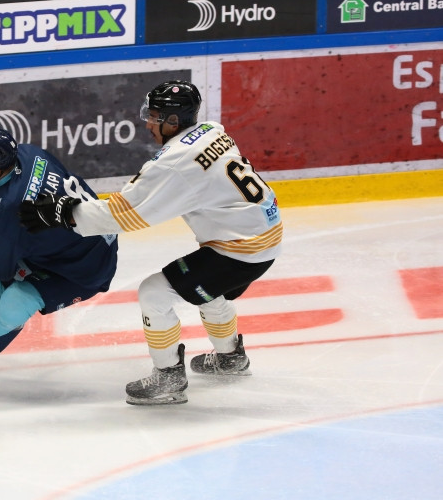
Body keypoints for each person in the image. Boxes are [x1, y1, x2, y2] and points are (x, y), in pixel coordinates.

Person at [19, 80, 282, 405]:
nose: (148, 123)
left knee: (154, 293)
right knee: (206, 287)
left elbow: (124, 215)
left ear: (173, 121)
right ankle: (230, 357)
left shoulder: (175, 161)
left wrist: (64, 212)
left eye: (154, 116)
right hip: (266, 232)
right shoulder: (211, 131)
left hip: (241, 248)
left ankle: (168, 377)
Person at [0, 127, 119, 395]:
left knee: (16, 301)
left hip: (84, 269)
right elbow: (9, 247)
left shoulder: (10, 206)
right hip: (66, 246)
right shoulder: (29, 153)